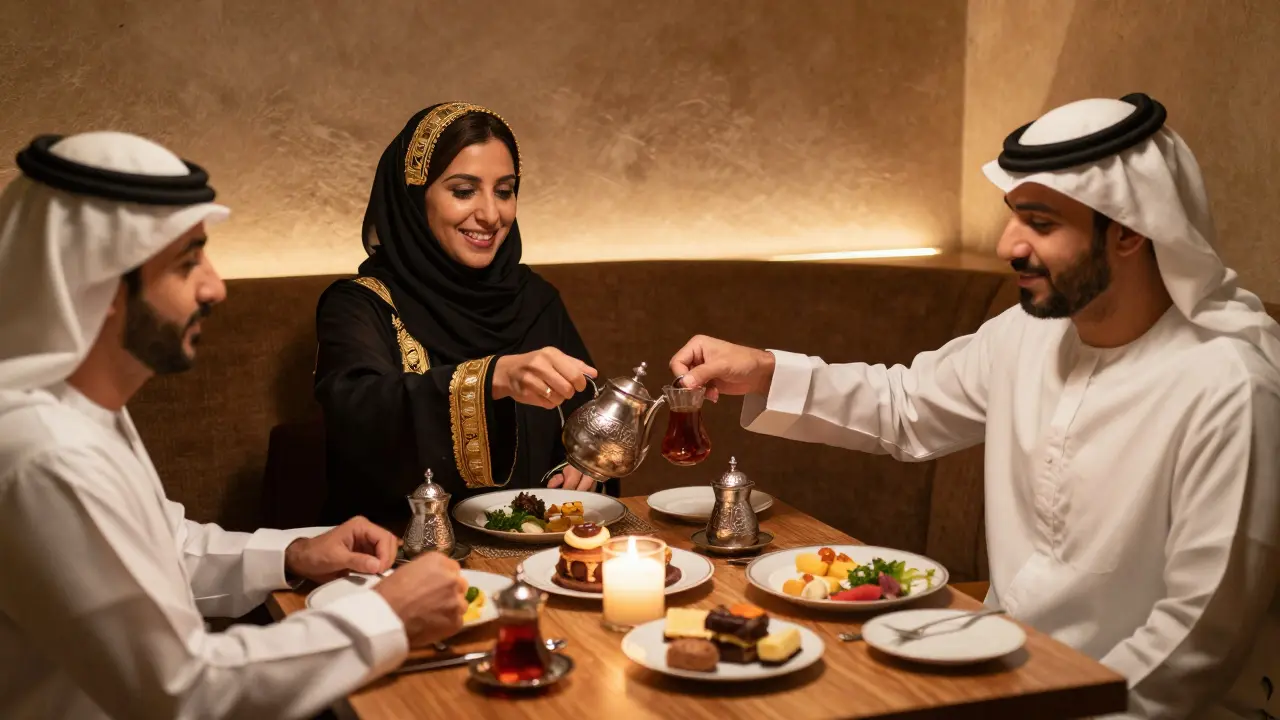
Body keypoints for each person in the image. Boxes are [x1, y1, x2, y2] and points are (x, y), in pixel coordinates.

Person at [669, 94, 1280, 719]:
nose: (1006, 245)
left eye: (1040, 224)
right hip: (1000, 671)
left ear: (1127, 230)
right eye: (1013, 216)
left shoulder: (1230, 389)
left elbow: (1193, 641)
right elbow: (906, 406)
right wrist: (766, 370)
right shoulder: (1028, 331)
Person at [0, 132, 469, 720]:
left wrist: (294, 554)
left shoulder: (79, 413)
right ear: (97, 283)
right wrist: (388, 617)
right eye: (187, 261)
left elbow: (167, 552)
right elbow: (183, 689)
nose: (215, 287)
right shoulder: (47, 454)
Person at [314, 101, 610, 530]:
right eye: (464, 190)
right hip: (398, 559)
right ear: (415, 198)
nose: (491, 215)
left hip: (540, 558)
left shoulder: (535, 300)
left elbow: (590, 425)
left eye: (505, 191)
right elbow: (359, 419)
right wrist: (491, 379)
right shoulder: (362, 305)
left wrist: (587, 467)